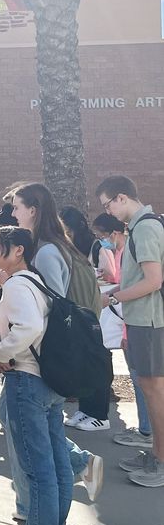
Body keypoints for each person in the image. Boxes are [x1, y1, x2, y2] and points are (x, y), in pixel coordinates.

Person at [0, 182, 103, 515]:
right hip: (47, 365)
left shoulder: (45, 251)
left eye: (16, 207)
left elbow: (50, 312)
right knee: (43, 445)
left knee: (40, 459)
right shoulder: (59, 245)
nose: (12, 212)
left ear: (33, 209)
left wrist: (0, 353)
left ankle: (37, 501)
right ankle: (37, 502)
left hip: (36, 366)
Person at [0, 226, 74, 525]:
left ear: (18, 249)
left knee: (38, 471)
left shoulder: (17, 286)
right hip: (49, 381)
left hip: (26, 381)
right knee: (58, 465)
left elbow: (29, 327)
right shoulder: (35, 281)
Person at [96, 176, 164, 488]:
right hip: (142, 320)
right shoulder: (140, 226)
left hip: (149, 321)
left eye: (108, 204)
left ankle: (160, 460)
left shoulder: (145, 227)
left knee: (154, 391)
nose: (108, 212)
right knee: (151, 391)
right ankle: (156, 454)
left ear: (121, 198)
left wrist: (114, 296)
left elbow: (153, 280)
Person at [92, 213, 155, 451]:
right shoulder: (127, 250)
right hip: (133, 324)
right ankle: (147, 428)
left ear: (115, 233)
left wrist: (113, 296)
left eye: (102, 236)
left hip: (137, 326)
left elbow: (138, 287)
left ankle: (147, 430)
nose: (102, 241)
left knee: (142, 380)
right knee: (141, 379)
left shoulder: (130, 251)